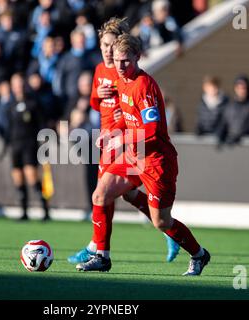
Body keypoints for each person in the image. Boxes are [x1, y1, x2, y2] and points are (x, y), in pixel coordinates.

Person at [76, 34, 210, 275]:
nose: (120, 65)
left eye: (126, 61)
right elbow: (127, 120)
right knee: (101, 195)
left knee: (161, 222)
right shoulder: (121, 80)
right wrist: (112, 132)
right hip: (133, 157)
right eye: (117, 60)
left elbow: (152, 130)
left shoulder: (143, 85)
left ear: (137, 57)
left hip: (157, 160)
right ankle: (101, 256)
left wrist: (121, 140)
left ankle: (199, 254)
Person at [67, 18, 181, 267]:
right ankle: (164, 231)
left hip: (126, 141)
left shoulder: (125, 71)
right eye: (103, 45)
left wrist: (120, 119)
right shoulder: (99, 71)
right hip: (108, 139)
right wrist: (100, 95)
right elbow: (96, 104)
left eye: (111, 45)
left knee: (104, 194)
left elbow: (135, 109)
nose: (107, 50)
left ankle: (98, 249)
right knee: (124, 195)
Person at [4, 73, 50, 221]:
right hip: (15, 145)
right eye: (15, 84)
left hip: (29, 145)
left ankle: (45, 211)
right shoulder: (10, 105)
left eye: (20, 84)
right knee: (18, 178)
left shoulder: (33, 103)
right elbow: (8, 126)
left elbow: (42, 124)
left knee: (32, 178)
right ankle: (24, 212)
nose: (18, 87)